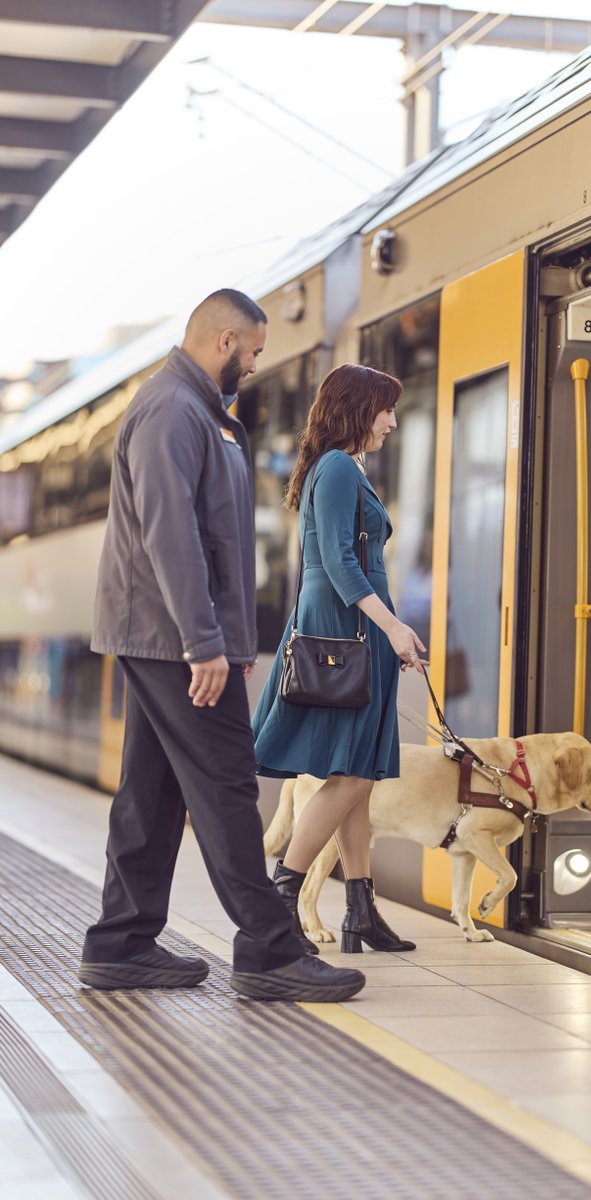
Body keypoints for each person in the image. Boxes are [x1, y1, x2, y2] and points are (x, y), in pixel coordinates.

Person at [80, 289, 365, 1003]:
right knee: (229, 782)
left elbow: (219, 541)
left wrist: (231, 639)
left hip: (174, 636)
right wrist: (205, 643)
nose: (256, 365)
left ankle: (121, 943)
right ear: (224, 341)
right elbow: (170, 536)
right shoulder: (172, 412)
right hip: (173, 638)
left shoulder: (205, 417)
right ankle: (269, 952)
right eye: (255, 351)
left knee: (152, 790)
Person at [251, 363, 425, 955]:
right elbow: (341, 565)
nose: (392, 423)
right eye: (385, 409)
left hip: (355, 629)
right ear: (357, 408)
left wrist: (389, 632)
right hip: (342, 632)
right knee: (350, 771)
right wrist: (395, 628)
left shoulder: (345, 468)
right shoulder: (335, 469)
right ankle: (281, 903)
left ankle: (359, 910)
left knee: (361, 773)